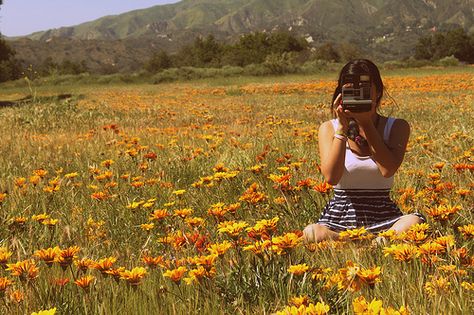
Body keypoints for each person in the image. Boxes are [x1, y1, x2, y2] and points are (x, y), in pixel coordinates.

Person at [303, 59, 425, 243]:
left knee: (414, 221)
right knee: (312, 233)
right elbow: (331, 178)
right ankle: (372, 243)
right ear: (341, 94)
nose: (358, 95)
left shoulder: (396, 127)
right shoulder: (329, 128)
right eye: (351, 90)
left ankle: (364, 242)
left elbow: (387, 169)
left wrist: (366, 122)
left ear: (378, 92)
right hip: (341, 216)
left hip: (382, 214)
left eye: (365, 89)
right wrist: (342, 129)